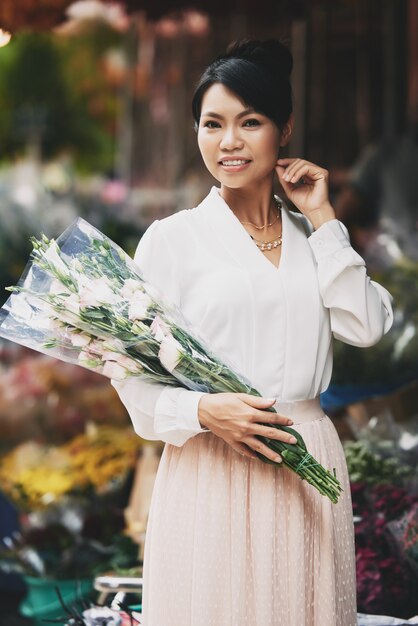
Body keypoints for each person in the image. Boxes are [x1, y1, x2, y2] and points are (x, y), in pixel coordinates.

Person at [112, 39, 393, 626]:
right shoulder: (172, 241)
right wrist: (204, 413)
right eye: (212, 124)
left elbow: (366, 327)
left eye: (250, 122)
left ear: (283, 130)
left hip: (307, 460)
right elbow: (131, 379)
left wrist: (323, 218)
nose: (229, 141)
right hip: (212, 468)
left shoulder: (314, 237)